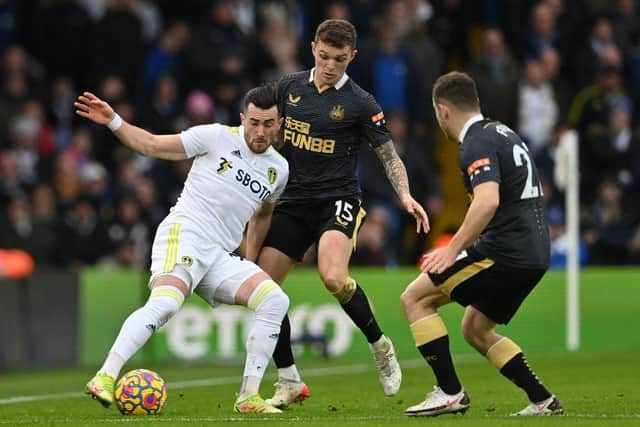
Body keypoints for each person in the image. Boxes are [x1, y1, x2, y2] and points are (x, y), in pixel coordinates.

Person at [246, 19, 430, 408]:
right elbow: (257, 124)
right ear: (313, 48)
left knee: (333, 276)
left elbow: (389, 156)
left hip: (338, 200)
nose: (331, 65)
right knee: (265, 291)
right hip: (292, 200)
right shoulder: (289, 87)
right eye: (325, 56)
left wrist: (405, 195)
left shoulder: (362, 103)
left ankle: (381, 345)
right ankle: (289, 379)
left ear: (353, 57)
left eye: (340, 59)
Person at [76, 84, 291, 414]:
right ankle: (105, 376)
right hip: (186, 233)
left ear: (280, 124)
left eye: (268, 124)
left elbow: (263, 214)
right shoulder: (215, 136)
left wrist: (249, 258)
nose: (260, 132)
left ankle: (248, 396)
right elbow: (150, 145)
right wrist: (114, 120)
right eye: (254, 122)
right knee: (165, 304)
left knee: (275, 300)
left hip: (220, 254)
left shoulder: (279, 169)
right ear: (242, 119)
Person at [400, 71, 563, 417]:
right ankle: (543, 400)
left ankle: (449, 392)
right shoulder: (504, 133)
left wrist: (451, 248)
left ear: (442, 111)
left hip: (505, 252)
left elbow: (486, 201)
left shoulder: (476, 142)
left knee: (414, 298)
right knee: (475, 328)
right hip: (535, 253)